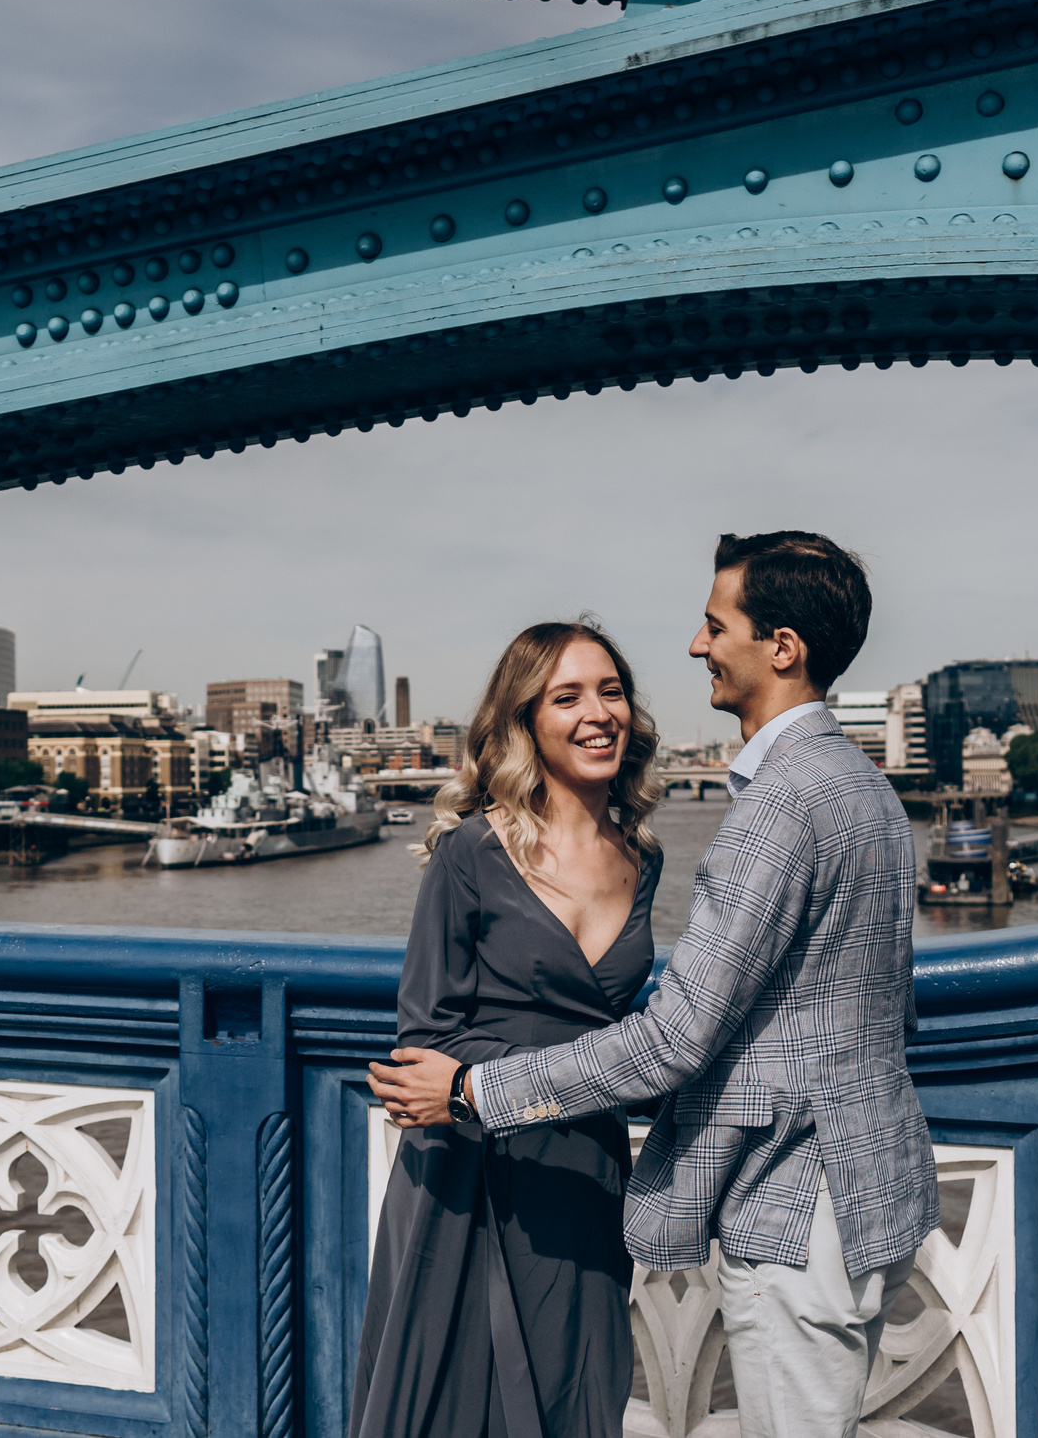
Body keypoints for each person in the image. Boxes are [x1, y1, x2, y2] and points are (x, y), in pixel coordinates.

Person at [372, 532, 937, 1438]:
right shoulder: (866, 789)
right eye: (566, 696)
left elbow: (675, 1038)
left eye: (716, 626)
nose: (695, 646)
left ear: (780, 648)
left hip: (784, 1200)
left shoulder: (773, 808)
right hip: (852, 1188)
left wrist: (477, 1089)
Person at [349, 620, 666, 1438]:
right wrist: (527, 1082)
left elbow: (635, 1026)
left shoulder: (642, 855)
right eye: (567, 697)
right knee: (461, 1405)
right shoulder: (470, 854)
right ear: (526, 722)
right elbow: (425, 1036)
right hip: (474, 1175)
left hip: (588, 1173)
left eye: (611, 690)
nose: (599, 713)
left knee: (578, 1391)